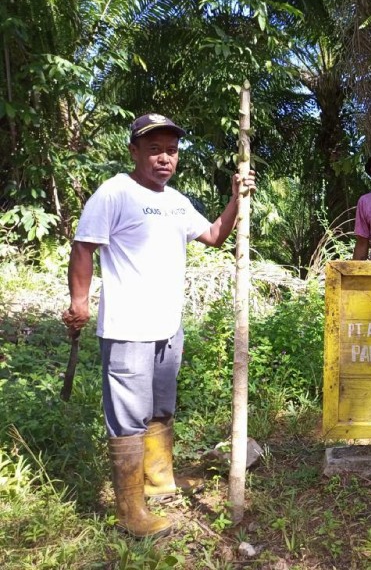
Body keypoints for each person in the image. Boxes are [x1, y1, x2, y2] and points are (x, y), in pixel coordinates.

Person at [62, 113, 256, 538]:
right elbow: (83, 248)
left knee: (160, 408)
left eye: (171, 150)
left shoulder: (176, 201)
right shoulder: (114, 193)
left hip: (168, 326)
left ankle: (159, 480)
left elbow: (214, 235)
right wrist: (79, 302)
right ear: (134, 151)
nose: (164, 158)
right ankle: (131, 511)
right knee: (128, 418)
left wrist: (236, 199)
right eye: (154, 150)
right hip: (128, 326)